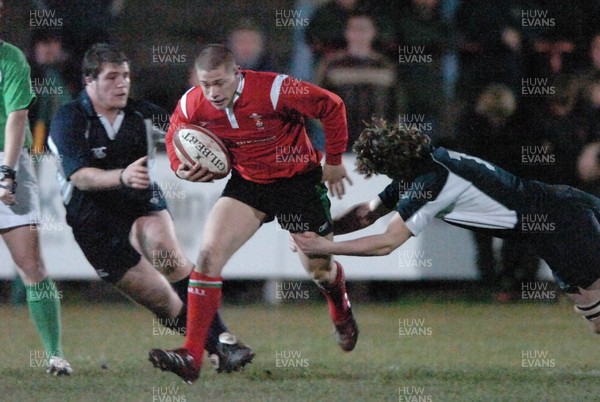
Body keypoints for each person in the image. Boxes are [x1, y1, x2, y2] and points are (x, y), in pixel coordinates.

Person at [148, 44, 355, 384]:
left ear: (237, 74)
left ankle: (340, 306)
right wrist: (180, 167)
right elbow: (175, 132)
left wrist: (333, 161)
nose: (212, 92)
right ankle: (192, 355)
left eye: (219, 83)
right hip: (249, 183)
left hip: (297, 182)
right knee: (208, 255)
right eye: (205, 84)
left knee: (319, 270)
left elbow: (331, 105)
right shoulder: (193, 102)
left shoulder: (274, 90)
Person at [48, 43, 253, 374]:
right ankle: (215, 346)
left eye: (126, 76)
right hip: (93, 221)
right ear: (89, 80)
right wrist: (122, 175)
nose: (122, 84)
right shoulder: (68, 119)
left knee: (164, 248)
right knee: (164, 301)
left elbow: (189, 132)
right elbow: (81, 178)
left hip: (140, 201)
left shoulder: (142, 114)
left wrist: (205, 155)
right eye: (112, 77)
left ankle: (225, 343)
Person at [292, 118, 600, 335]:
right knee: (594, 315)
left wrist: (326, 247)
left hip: (562, 222)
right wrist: (323, 229)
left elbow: (387, 243)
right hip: (552, 223)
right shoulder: (423, 165)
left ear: (392, 165)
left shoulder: (433, 181)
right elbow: (367, 214)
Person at [0, 39, 72, 375]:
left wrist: (8, 171)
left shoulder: (10, 58)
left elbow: (17, 116)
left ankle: (55, 355)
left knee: (30, 263)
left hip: (9, 159)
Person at [315, 12, 397, 151]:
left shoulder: (384, 65)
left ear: (373, 33)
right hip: (339, 138)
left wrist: (390, 130)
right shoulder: (331, 64)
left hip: (377, 139)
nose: (359, 34)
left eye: (364, 29)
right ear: (347, 33)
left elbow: (397, 101)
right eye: (355, 29)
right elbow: (316, 100)